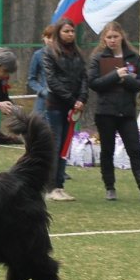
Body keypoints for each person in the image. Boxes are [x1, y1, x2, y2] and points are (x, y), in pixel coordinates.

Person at [87, 21, 140, 203]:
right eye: (109, 37)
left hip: (127, 112)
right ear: (104, 39)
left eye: (115, 36)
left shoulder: (133, 57)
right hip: (105, 112)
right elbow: (94, 83)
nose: (112, 40)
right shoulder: (99, 58)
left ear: (122, 36)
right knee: (107, 151)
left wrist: (126, 80)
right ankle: (110, 187)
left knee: (135, 150)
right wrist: (114, 76)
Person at [41, 18, 88, 201]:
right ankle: (50, 186)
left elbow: (84, 78)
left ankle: (60, 185)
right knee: (56, 144)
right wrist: (71, 100)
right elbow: (52, 80)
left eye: (72, 31)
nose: (70, 34)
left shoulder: (78, 53)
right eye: (66, 31)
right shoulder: (49, 52)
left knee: (65, 147)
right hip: (56, 106)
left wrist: (82, 98)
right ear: (58, 33)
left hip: (73, 106)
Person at [27, 25, 55, 115]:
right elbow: (31, 79)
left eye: (53, 37)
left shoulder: (64, 55)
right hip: (43, 101)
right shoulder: (37, 55)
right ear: (43, 38)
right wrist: (42, 91)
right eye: (48, 37)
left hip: (61, 100)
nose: (50, 40)